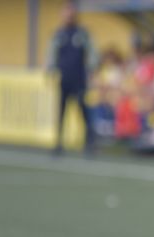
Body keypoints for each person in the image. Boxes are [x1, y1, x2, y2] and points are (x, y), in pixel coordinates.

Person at [47, 1, 96, 155]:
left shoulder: (82, 33)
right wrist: (50, 68)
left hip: (79, 78)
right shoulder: (59, 34)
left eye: (71, 12)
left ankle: (89, 144)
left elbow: (93, 53)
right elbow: (52, 53)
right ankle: (58, 144)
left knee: (83, 111)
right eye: (66, 12)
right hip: (64, 79)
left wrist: (91, 69)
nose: (68, 15)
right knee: (61, 112)